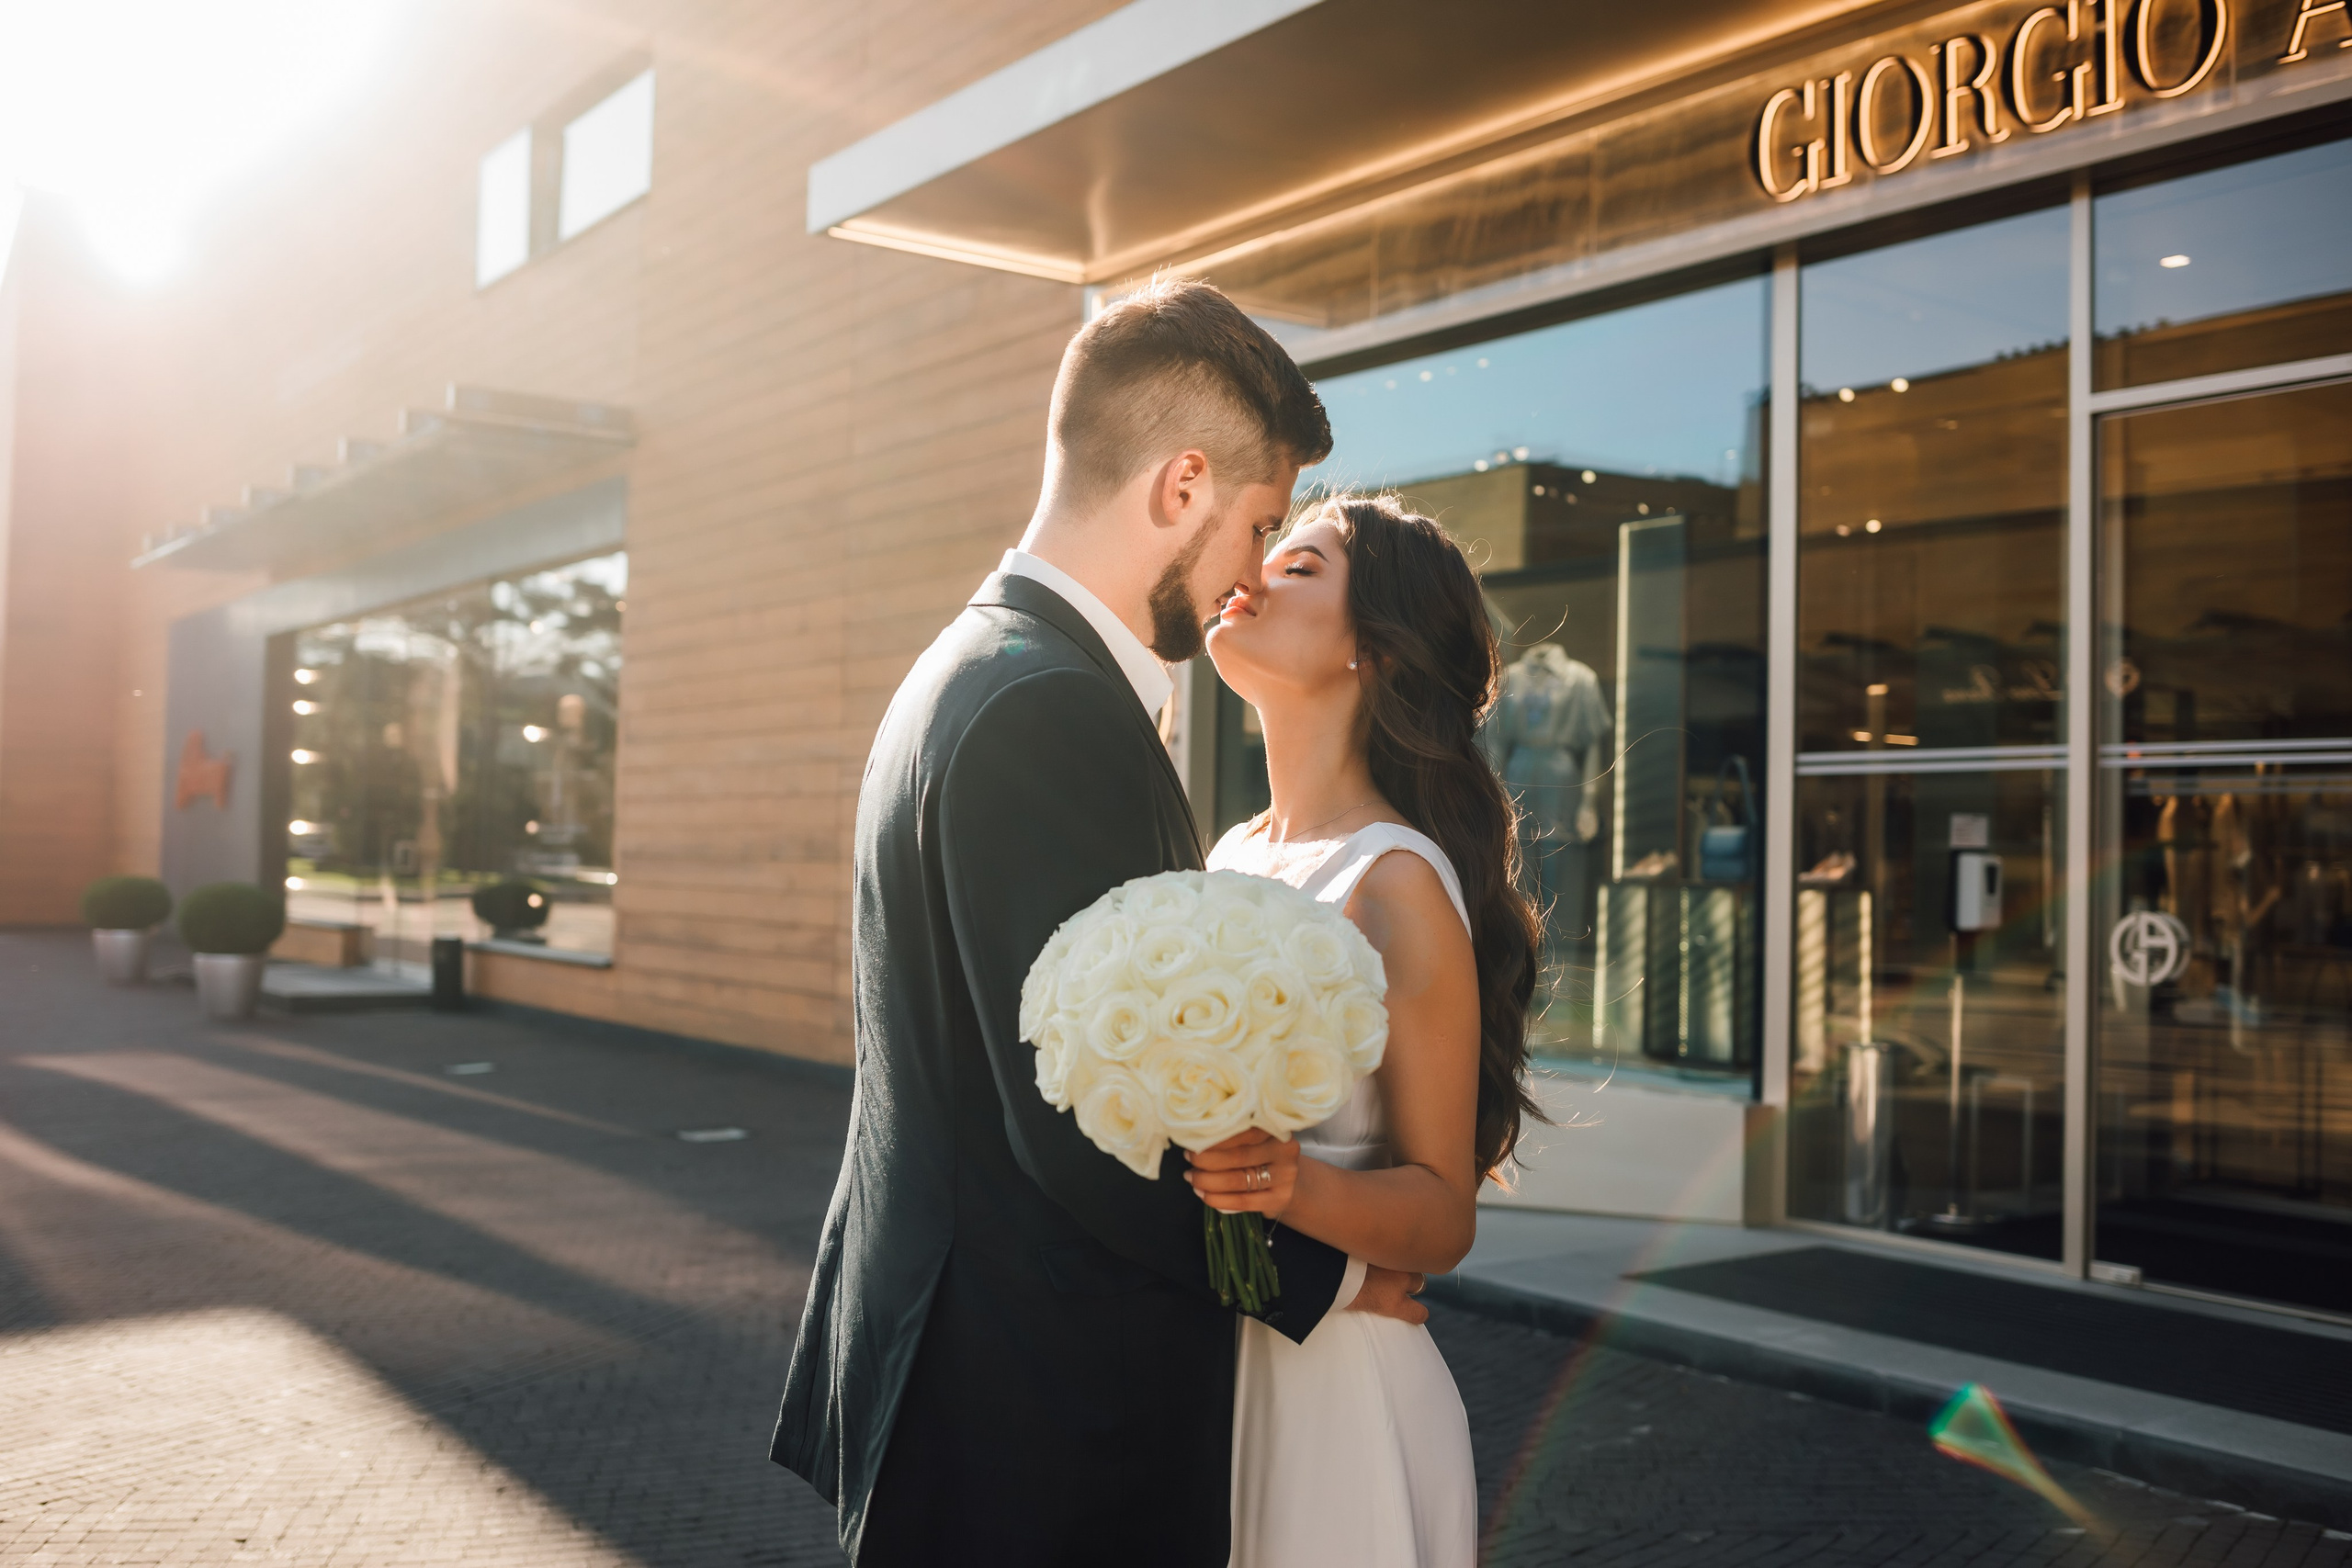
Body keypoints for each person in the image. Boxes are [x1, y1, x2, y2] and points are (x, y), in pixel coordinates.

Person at [770, 281, 1430, 1567]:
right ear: (1181, 484)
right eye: (1259, 523)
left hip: (964, 1390)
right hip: (1042, 1428)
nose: (1250, 573)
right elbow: (1082, 1127)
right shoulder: (1052, 709)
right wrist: (1330, 1282)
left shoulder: (966, 663)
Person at [1193, 493, 1544, 1568]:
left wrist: (1288, 1185)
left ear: (1376, 655)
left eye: (1297, 566)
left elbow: (1442, 1214)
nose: (1247, 578)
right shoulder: (1227, 852)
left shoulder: (1394, 883)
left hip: (1338, 1402)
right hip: (1219, 1365)